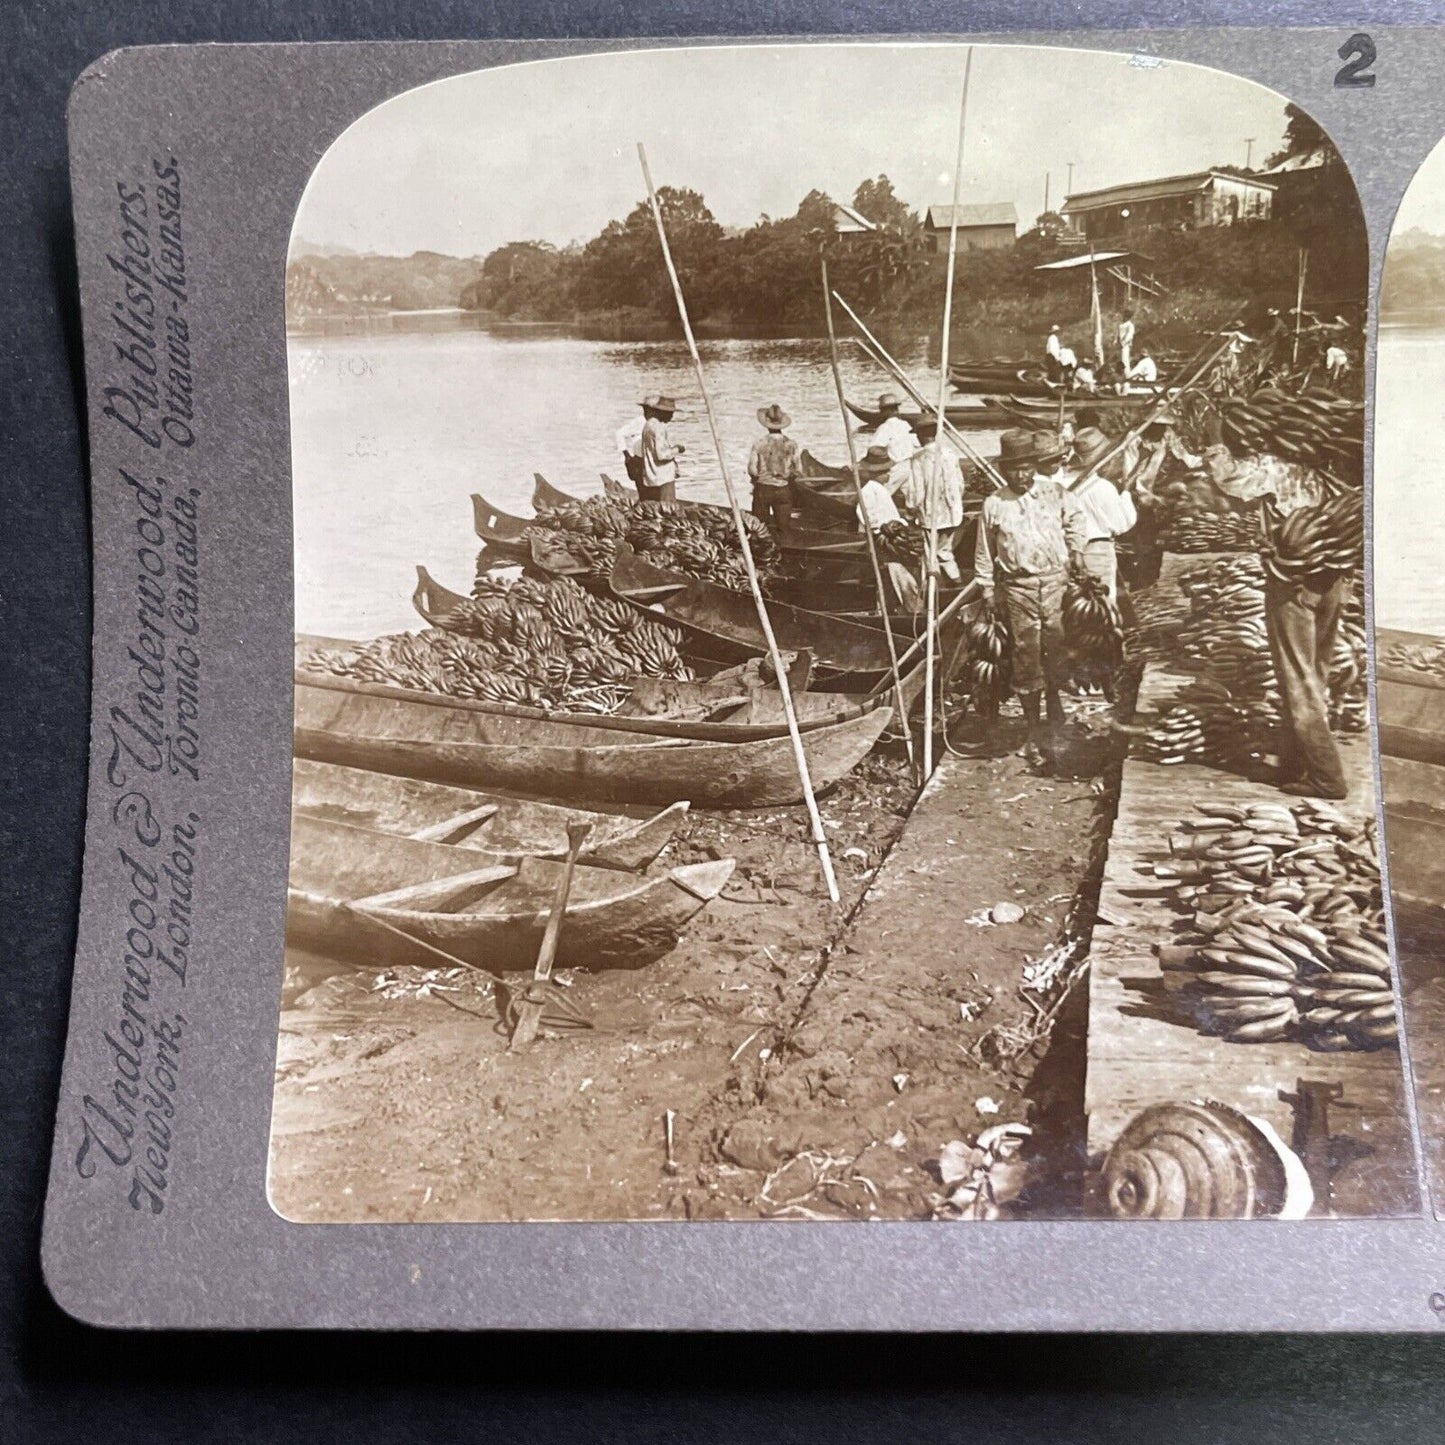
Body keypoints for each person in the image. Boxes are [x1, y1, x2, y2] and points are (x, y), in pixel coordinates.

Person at [1196, 442, 1347, 799]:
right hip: (1334, 578)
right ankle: (1294, 763)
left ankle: (1327, 776)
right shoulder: (1332, 469)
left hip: (1295, 581)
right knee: (1315, 673)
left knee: (1297, 679)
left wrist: (1216, 446)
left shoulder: (1272, 467)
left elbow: (1225, 477)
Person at [974, 429, 1088, 771]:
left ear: (1034, 467)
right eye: (1014, 470)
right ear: (1004, 471)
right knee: (1026, 654)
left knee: (1056, 646)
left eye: (1026, 468)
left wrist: (1077, 550)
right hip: (1018, 586)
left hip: (1055, 581)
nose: (1020, 475)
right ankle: (1031, 727)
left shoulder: (1056, 494)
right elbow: (984, 550)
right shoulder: (994, 504)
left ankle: (1056, 713)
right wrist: (986, 588)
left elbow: (1076, 521)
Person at [1065, 427, 1138, 606]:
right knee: (1103, 604)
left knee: (1077, 603)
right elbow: (1122, 524)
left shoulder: (1060, 484)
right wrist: (1126, 493)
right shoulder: (1102, 487)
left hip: (1067, 553)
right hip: (1096, 551)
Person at [901, 443, 966, 582]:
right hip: (952, 513)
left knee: (930, 555)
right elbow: (960, 484)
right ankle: (956, 580)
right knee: (945, 550)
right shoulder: (950, 453)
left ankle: (932, 587)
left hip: (931, 514)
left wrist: (911, 513)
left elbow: (916, 491)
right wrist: (956, 504)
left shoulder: (919, 458)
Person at [747, 402, 801, 531]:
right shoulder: (791, 444)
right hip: (783, 490)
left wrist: (758, 479)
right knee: (784, 529)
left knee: (759, 528)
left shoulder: (759, 443)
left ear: (766, 424)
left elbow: (752, 470)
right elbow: (798, 470)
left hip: (763, 489)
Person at [638, 394, 685, 503]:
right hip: (663, 478)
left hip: (652, 477)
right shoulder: (658, 428)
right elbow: (661, 455)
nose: (672, 417)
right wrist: (677, 449)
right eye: (670, 413)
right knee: (668, 507)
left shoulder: (648, 425)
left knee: (656, 508)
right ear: (662, 412)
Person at [871, 392, 920, 493]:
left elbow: (874, 450)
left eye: (881, 410)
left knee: (880, 493)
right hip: (910, 466)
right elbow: (916, 447)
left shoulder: (885, 428)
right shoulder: (906, 425)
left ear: (886, 411)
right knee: (909, 497)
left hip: (896, 469)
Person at [615, 408, 646, 486]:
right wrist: (626, 455)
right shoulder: (639, 421)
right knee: (641, 485)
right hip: (639, 460)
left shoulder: (659, 423)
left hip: (651, 460)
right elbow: (619, 433)